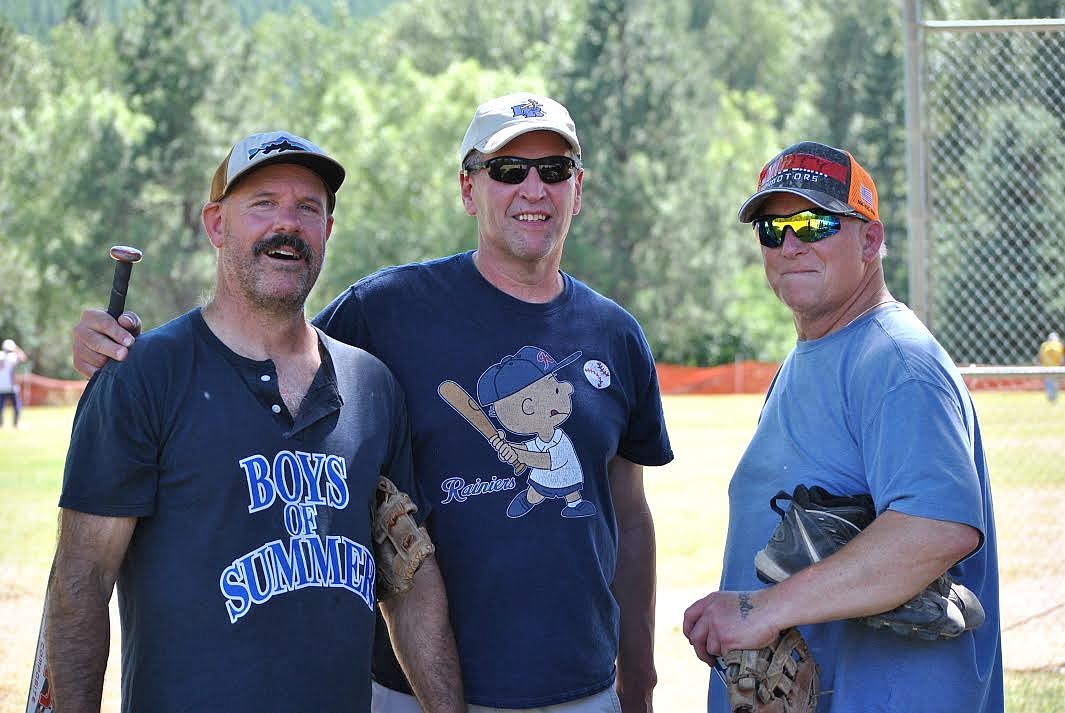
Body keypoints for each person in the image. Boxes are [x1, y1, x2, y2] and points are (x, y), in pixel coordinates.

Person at [71, 93, 673, 712]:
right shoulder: (386, 310)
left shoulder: (616, 334)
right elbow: (256, 333)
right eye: (508, 170)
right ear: (469, 190)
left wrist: (641, 681)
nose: (533, 189)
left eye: (554, 170)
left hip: (580, 687)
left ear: (579, 188)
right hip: (405, 691)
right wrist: (119, 353)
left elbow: (629, 516)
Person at [47, 131, 464, 712]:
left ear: (326, 232)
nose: (286, 225)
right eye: (262, 204)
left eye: (307, 208)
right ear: (216, 225)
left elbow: (407, 578)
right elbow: (80, 584)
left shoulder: (373, 386)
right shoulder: (144, 377)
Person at [682, 142, 1002, 712]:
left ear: (871, 240)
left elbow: (935, 529)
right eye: (772, 229)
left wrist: (761, 610)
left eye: (815, 222)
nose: (790, 243)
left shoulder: (896, 362)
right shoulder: (814, 355)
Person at [0, 338, 28, 427]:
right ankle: (16, 423)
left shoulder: (1, 355)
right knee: (17, 406)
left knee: (1, 406)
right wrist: (17, 348)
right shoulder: (12, 356)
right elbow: (24, 358)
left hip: (1, 386)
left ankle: (1, 423)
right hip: (11, 386)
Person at [1037, 331, 1064, 402]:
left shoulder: (1044, 345)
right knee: (1054, 383)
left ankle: (1050, 397)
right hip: (1056, 367)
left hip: (1047, 367)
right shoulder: (1059, 345)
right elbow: (1061, 358)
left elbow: (1040, 357)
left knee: (1049, 382)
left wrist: (1039, 364)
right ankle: (1053, 397)